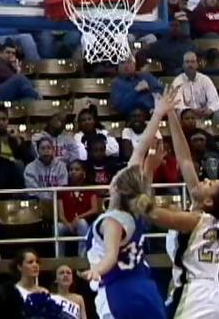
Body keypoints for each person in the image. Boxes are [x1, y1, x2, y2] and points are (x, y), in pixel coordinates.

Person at [78, 91, 179, 319]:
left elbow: (111, 255)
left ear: (115, 187)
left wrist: (96, 270)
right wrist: (158, 114)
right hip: (146, 289)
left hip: (119, 291)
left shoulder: (112, 221)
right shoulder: (137, 209)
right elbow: (140, 150)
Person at [144, 105, 219, 319]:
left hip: (195, 297)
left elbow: (152, 212)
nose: (204, 180)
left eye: (209, 183)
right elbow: (185, 159)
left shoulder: (195, 219)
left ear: (208, 201)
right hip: (215, 296)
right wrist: (171, 114)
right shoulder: (208, 218)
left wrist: (148, 170)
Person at [58, 160, 101, 257]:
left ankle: (82, 257)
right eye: (71, 169)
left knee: (82, 223)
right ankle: (59, 258)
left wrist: (78, 218)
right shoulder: (62, 190)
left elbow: (94, 209)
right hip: (67, 224)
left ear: (83, 172)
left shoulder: (90, 189)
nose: (73, 172)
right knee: (58, 227)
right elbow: (60, 214)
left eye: (77, 169)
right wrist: (68, 225)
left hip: (83, 224)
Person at [172, 51, 219, 121]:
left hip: (205, 115)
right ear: (183, 65)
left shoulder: (205, 79)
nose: (190, 65)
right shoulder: (177, 81)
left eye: (193, 62)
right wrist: (192, 111)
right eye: (187, 62)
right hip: (186, 116)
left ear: (197, 64)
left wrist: (209, 110)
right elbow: (178, 105)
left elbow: (214, 100)